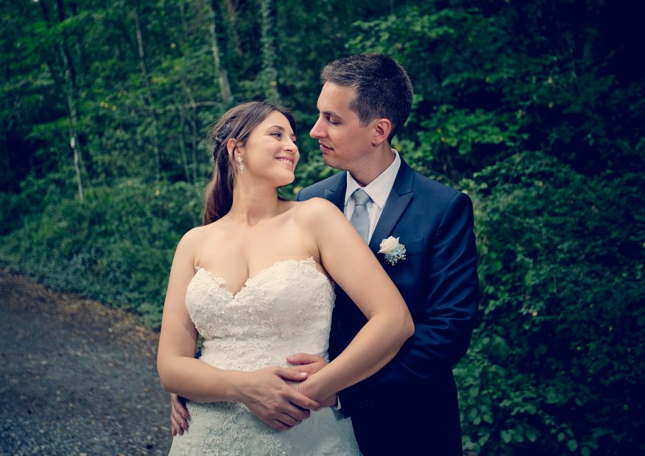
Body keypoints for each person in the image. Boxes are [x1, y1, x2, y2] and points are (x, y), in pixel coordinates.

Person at [171, 54, 479, 455]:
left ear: (379, 130)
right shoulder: (311, 199)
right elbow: (268, 310)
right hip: (303, 418)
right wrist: (199, 379)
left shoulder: (442, 207)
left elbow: (448, 332)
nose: (315, 131)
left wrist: (339, 389)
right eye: (318, 116)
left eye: (332, 120)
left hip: (404, 419)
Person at [157, 101, 415, 455]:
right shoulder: (193, 243)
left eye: (293, 138)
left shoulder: (315, 218)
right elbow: (171, 367)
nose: (292, 146)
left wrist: (311, 391)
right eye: (277, 135)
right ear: (236, 149)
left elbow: (394, 320)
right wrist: (244, 387)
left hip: (304, 432)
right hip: (204, 437)